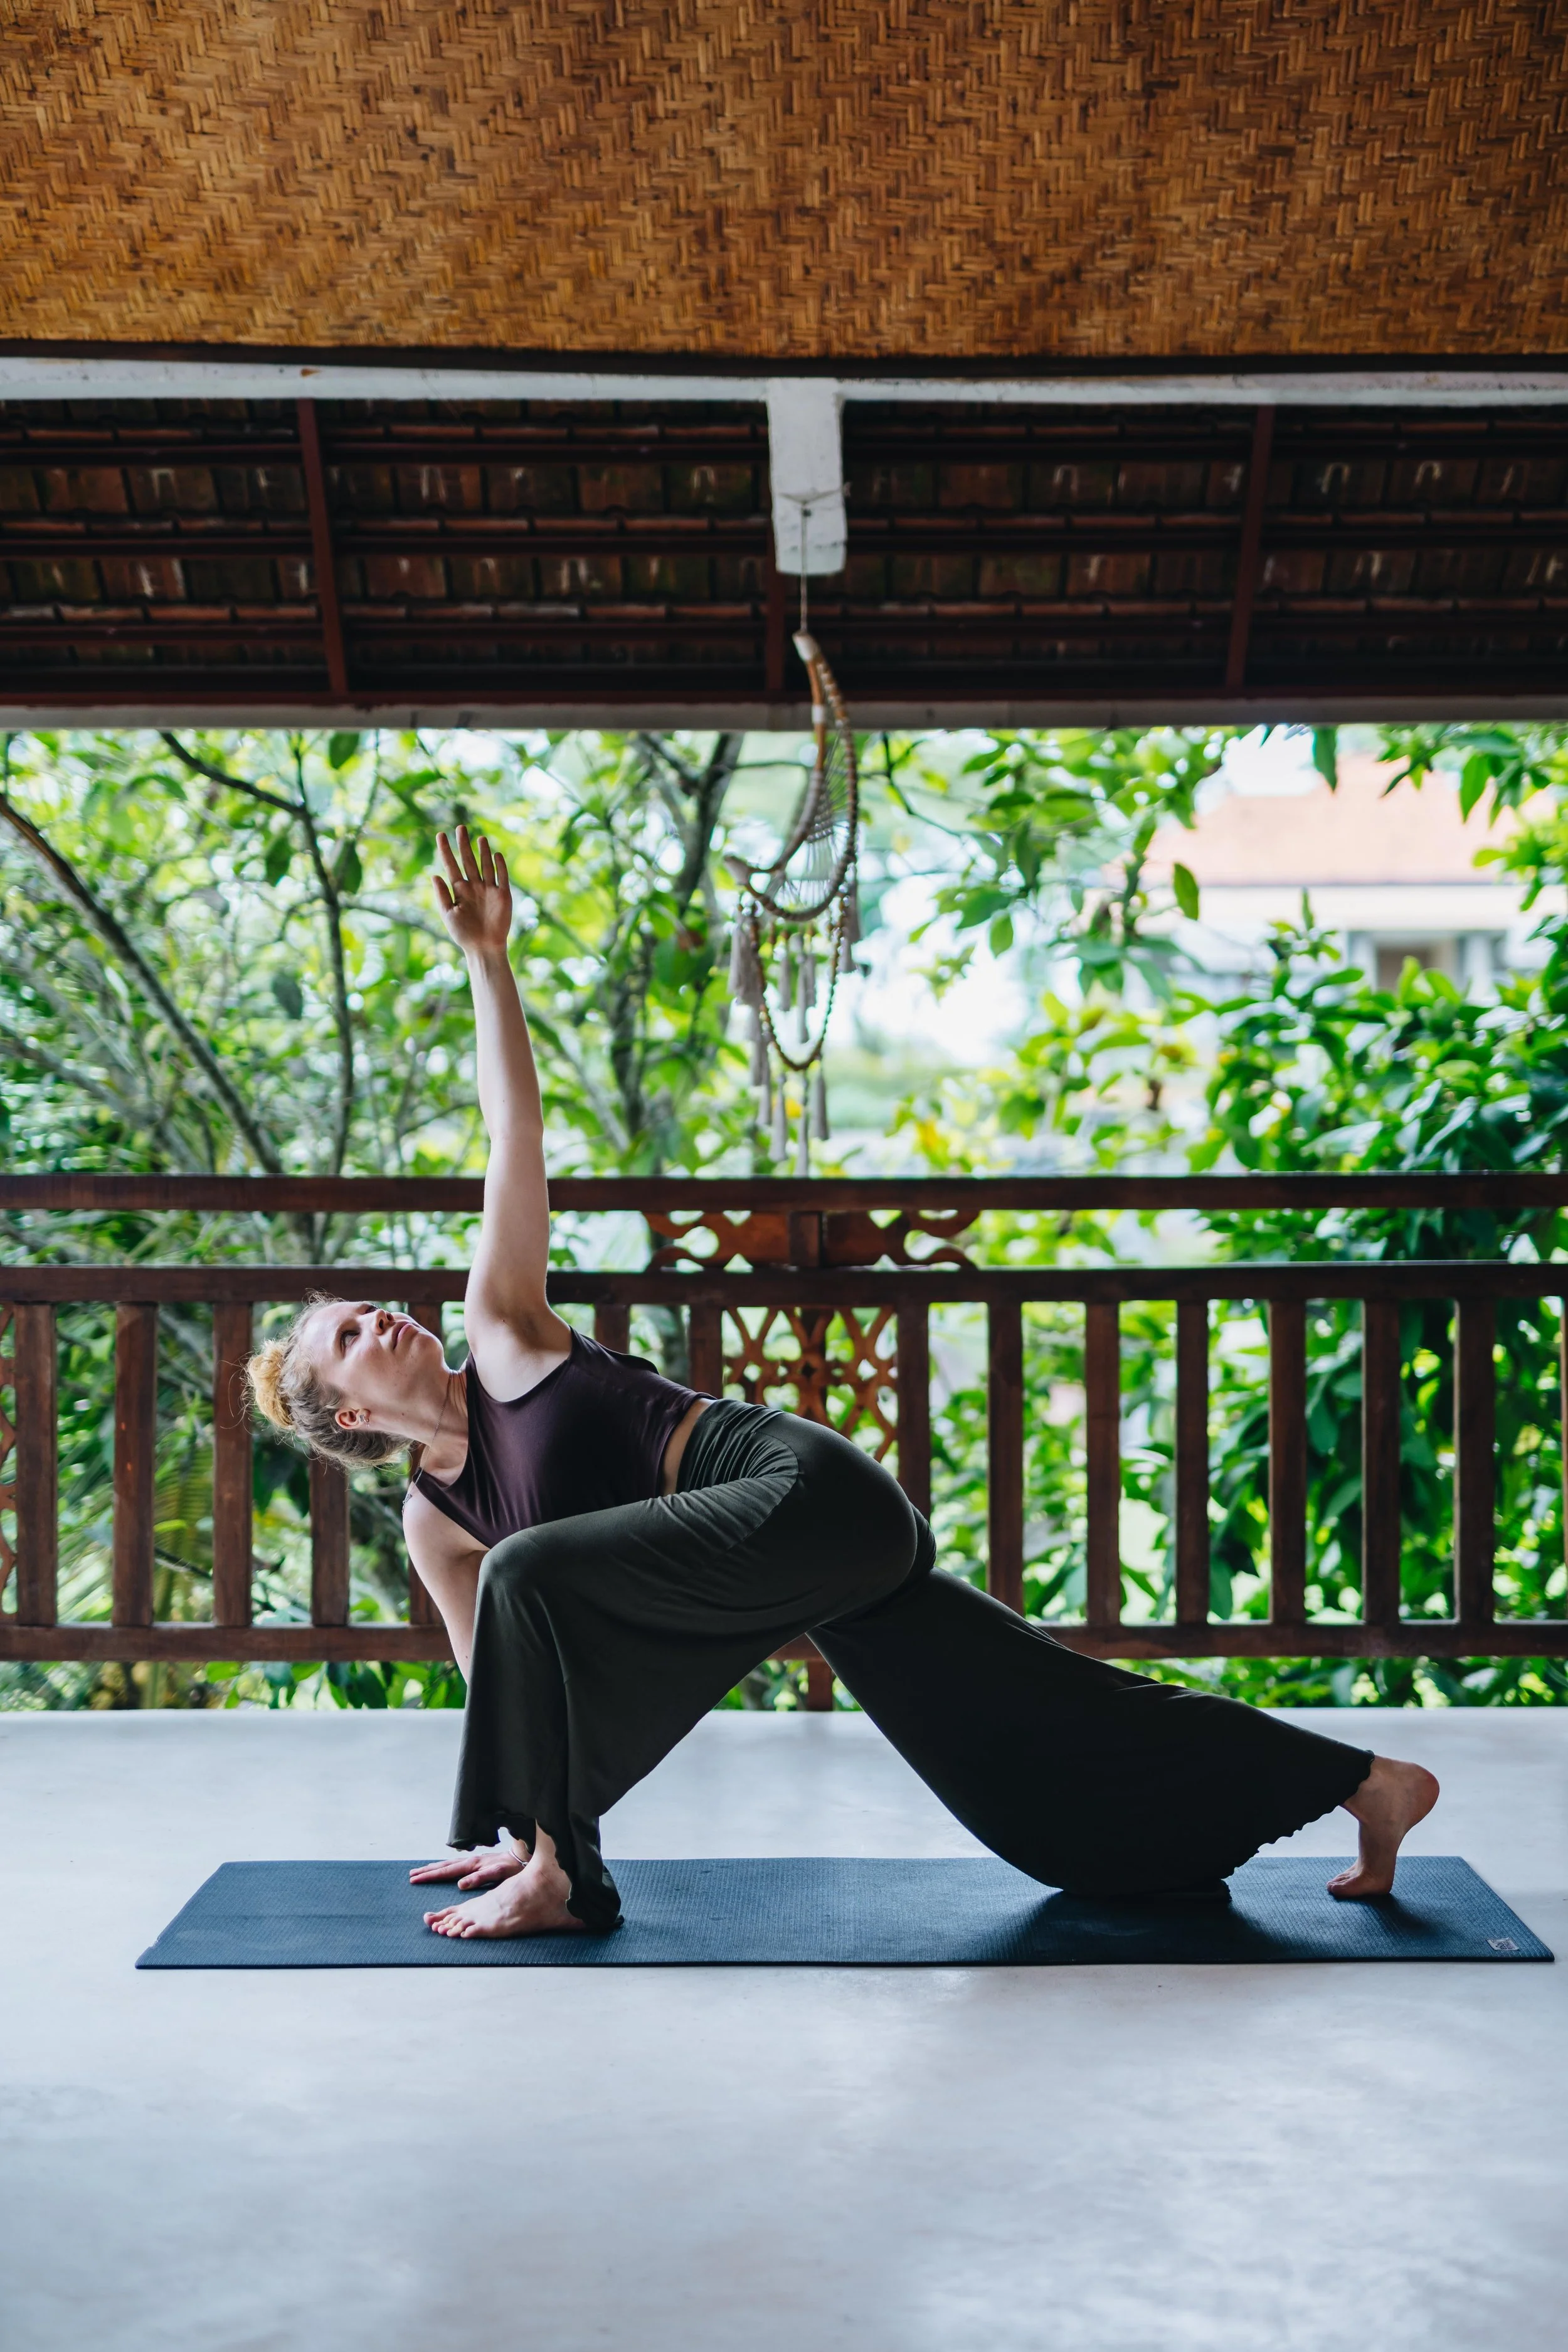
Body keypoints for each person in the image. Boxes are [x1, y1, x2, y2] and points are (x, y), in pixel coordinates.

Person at [247, 825, 1439, 1941]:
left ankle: (570, 1877)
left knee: (531, 1569)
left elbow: (516, 1135)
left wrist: (490, 962)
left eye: (363, 1308)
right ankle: (1369, 1784)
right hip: (792, 1576)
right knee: (1032, 1756)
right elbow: (498, 1681)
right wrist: (512, 1828)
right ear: (347, 1417)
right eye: (347, 1337)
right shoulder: (435, 1521)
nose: (374, 1317)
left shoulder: (499, 1332)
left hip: (802, 1491)